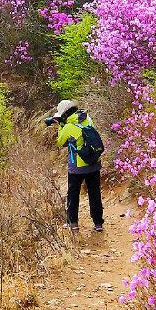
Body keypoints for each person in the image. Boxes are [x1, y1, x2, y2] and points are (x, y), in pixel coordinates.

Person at [51, 99, 105, 234]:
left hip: (77, 166)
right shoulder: (87, 119)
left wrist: (60, 126)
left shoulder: (68, 127)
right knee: (95, 192)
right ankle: (98, 223)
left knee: (73, 194)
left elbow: (60, 142)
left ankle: (73, 222)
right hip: (93, 162)